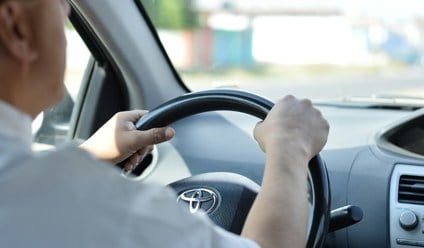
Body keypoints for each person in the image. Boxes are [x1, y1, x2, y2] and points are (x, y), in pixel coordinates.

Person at [0, 0, 329, 247]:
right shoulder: (86, 199)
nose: (66, 13)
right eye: (58, 2)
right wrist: (290, 147)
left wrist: (87, 158)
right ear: (14, 25)